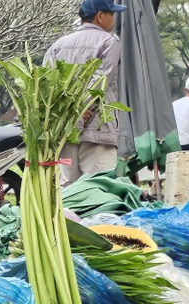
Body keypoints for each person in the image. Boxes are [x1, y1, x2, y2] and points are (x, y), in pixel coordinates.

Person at [44, 0, 126, 186]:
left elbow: (47, 85)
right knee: (99, 187)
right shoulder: (109, 41)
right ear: (100, 16)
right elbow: (100, 81)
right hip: (97, 129)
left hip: (64, 130)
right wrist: (80, 112)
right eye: (112, 14)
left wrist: (71, 117)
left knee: (67, 189)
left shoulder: (58, 45)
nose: (114, 19)